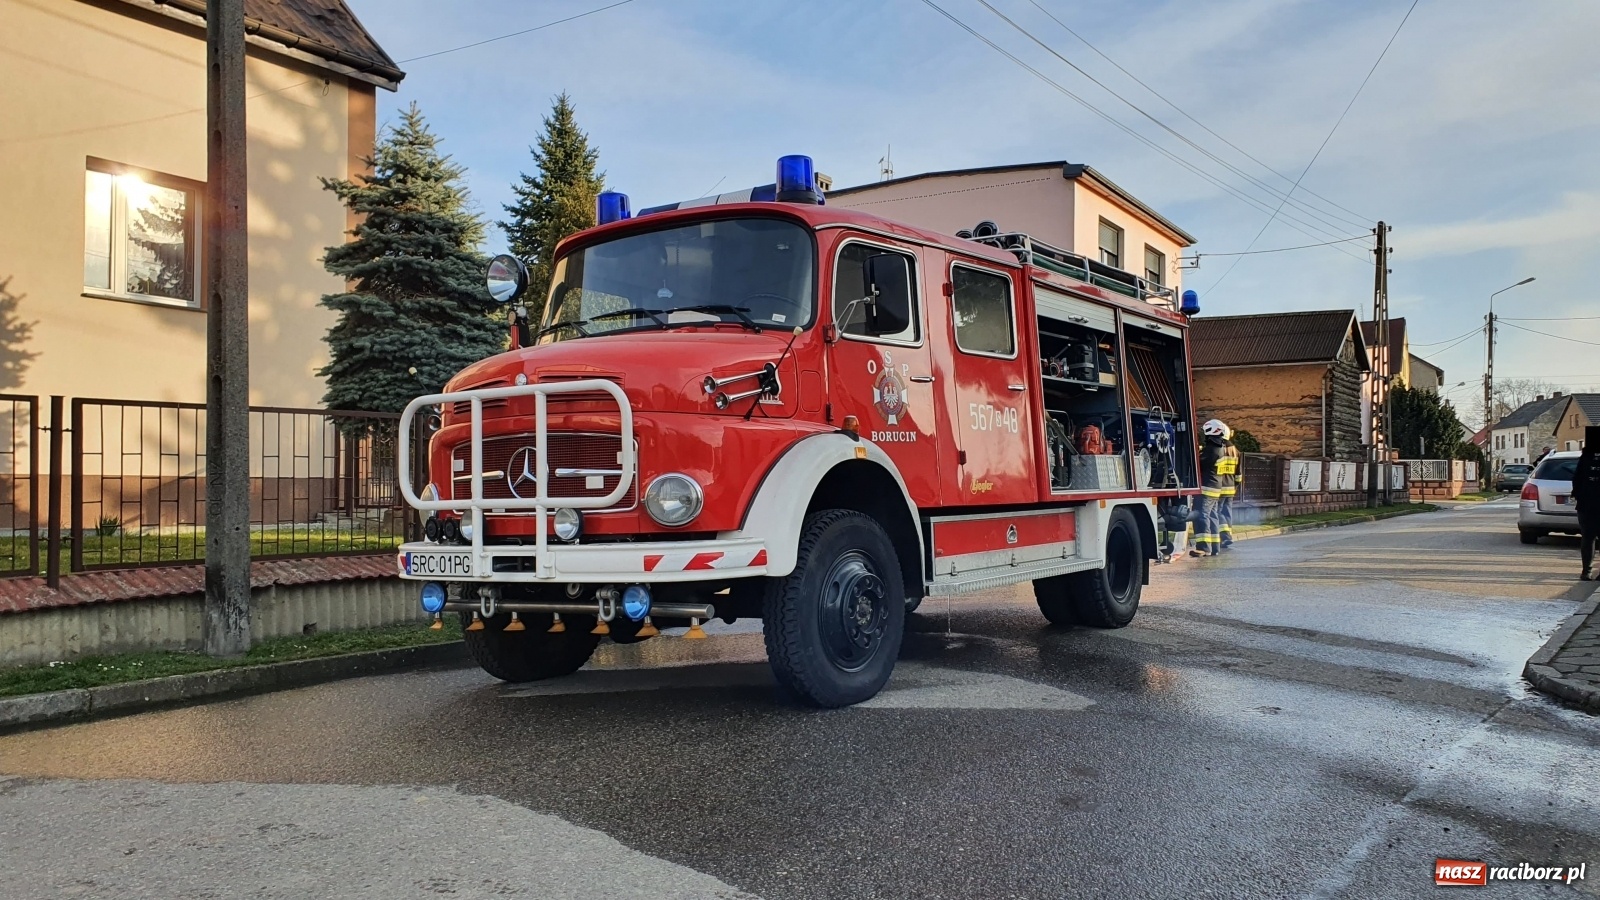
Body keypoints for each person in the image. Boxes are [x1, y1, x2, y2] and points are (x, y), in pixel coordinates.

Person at [1192, 419, 1233, 557]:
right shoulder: (1220, 447)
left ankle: (1204, 547)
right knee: (1213, 516)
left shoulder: (1212, 449)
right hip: (1216, 488)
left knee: (1202, 516)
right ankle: (1215, 547)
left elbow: (1199, 464)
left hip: (1207, 488)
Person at [1574, 426, 1600, 581]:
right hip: (1588, 503)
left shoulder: (1585, 457)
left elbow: (1577, 479)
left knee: (1588, 537)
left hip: (1586, 504)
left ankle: (1586, 571)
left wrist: (1578, 496)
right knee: (1589, 537)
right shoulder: (1586, 457)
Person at [1219, 427, 1241, 550]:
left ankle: (1226, 536)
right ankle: (1228, 536)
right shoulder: (1235, 451)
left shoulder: (1219, 449)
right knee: (1227, 513)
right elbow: (1239, 474)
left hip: (1219, 487)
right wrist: (1235, 486)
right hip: (1231, 487)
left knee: (1217, 512)